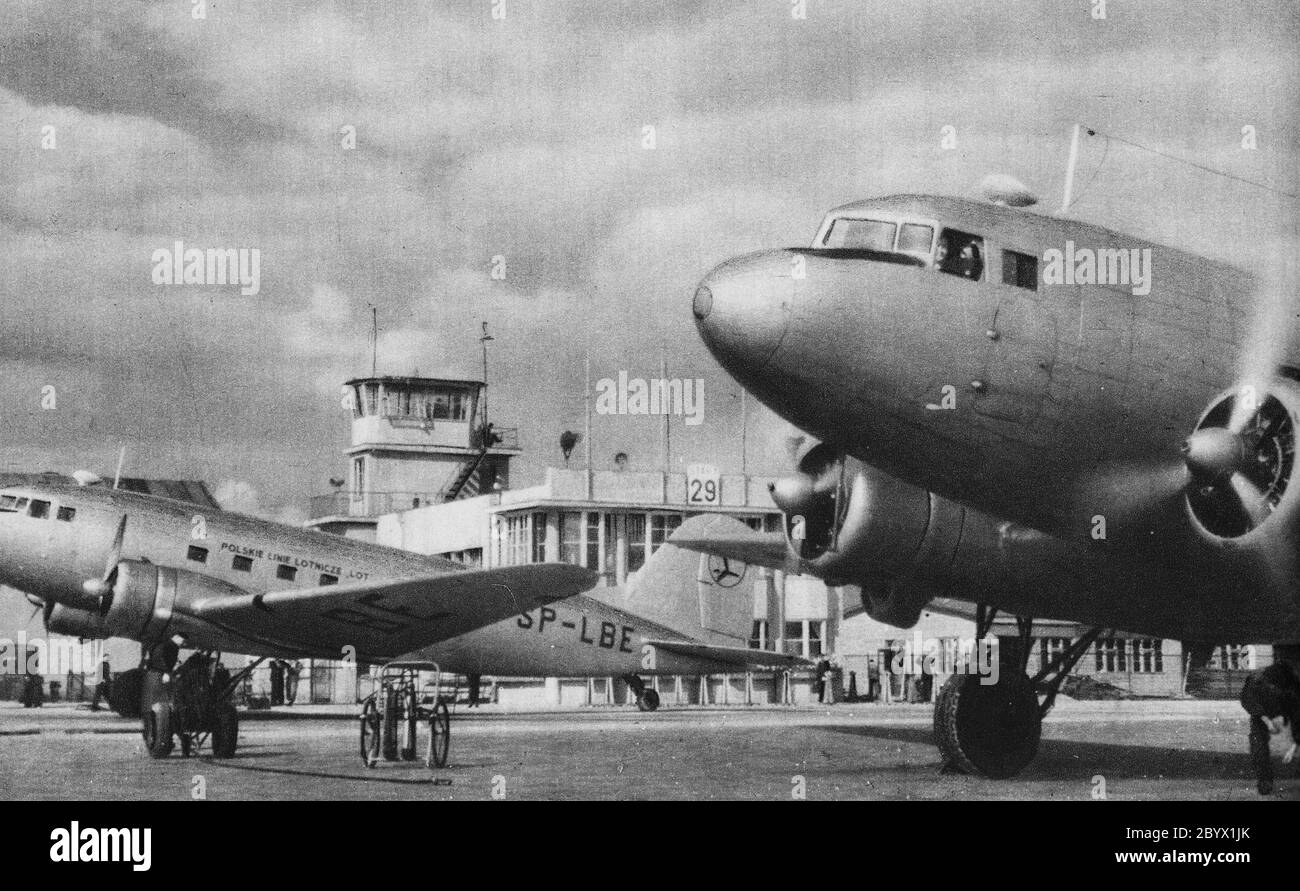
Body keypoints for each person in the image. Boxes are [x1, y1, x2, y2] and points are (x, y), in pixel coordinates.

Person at [1239, 660, 1300, 795]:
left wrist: (1293, 748)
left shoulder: (1293, 687)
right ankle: (1264, 779)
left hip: (1284, 705)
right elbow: (1247, 701)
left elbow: (1297, 717)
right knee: (1258, 743)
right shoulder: (1256, 681)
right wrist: (1267, 721)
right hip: (1261, 710)